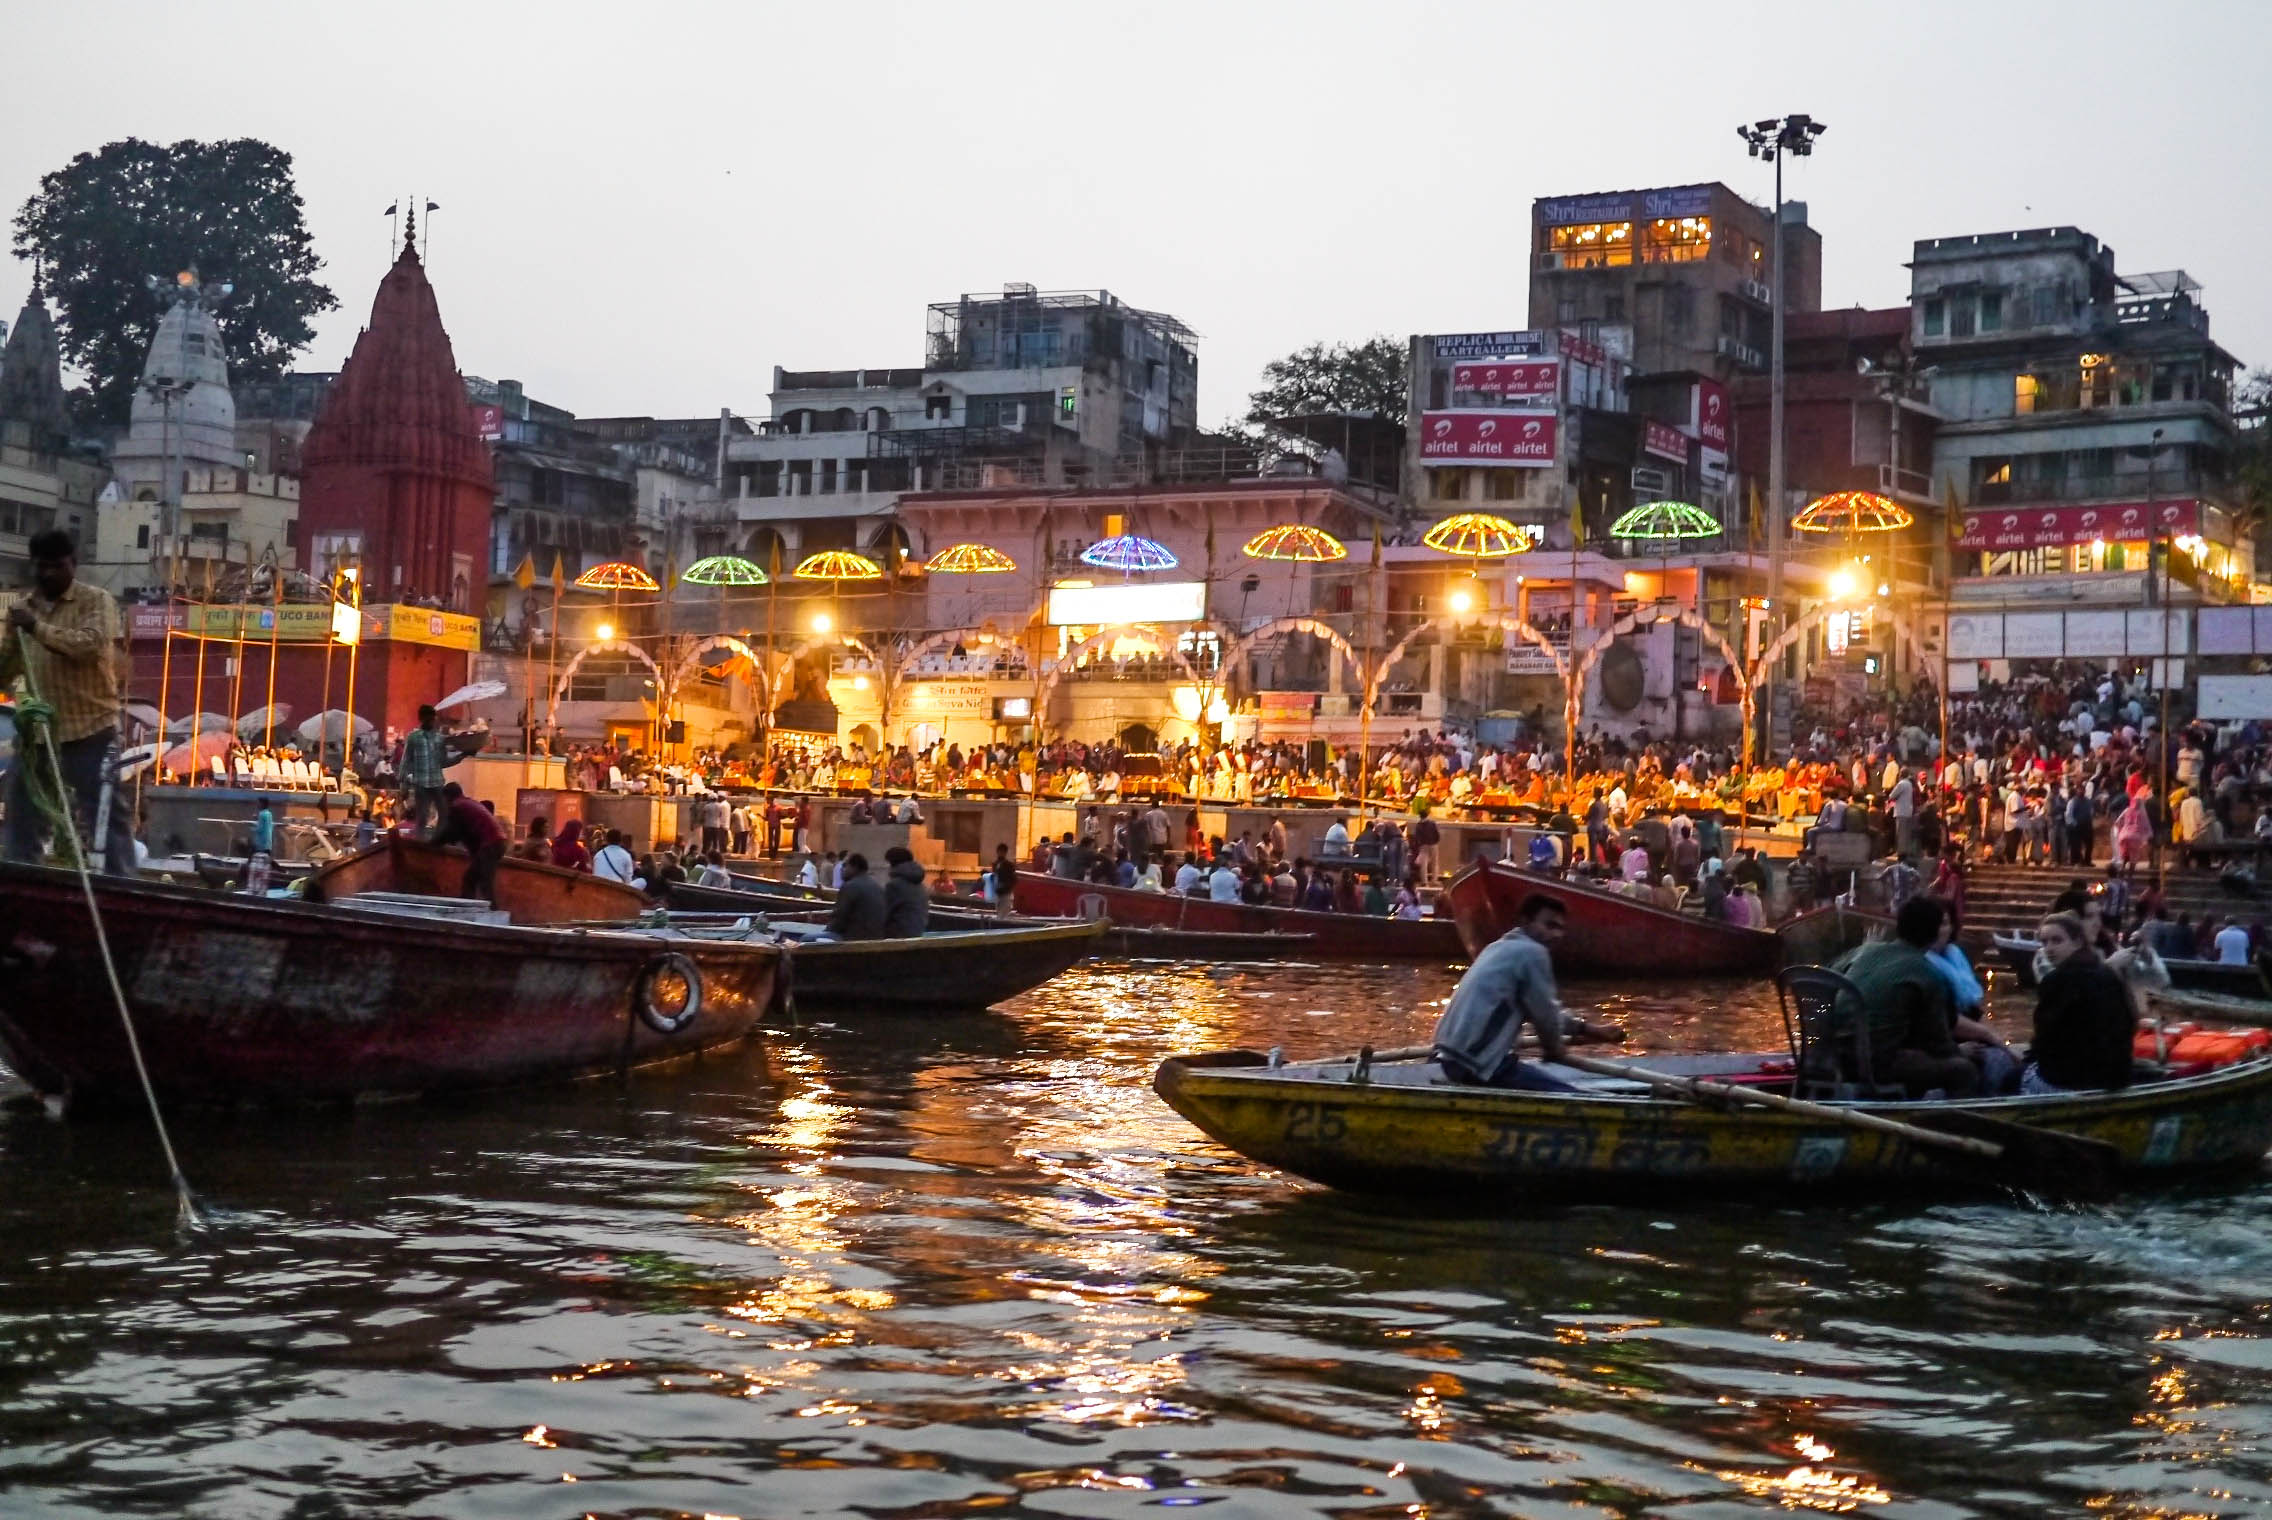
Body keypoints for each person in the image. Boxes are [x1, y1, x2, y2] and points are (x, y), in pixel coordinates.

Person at [0, 529, 138, 874]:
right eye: (42, 567)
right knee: (21, 818)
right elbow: (6, 669)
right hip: (39, 737)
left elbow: (88, 646)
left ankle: (123, 895)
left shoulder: (96, 601)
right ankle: (23, 895)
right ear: (33, 567)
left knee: (106, 821)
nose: (48, 574)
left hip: (91, 731)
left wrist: (37, 629)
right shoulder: (21, 611)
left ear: (72, 565)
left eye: (57, 566)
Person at [1431, 893, 1582, 1090]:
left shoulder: (1496, 948)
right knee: (1568, 1095)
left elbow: (1544, 1010)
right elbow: (1545, 1017)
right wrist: (1555, 1050)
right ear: (1525, 922)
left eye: (1560, 929)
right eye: (1549, 926)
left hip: (1442, 1057)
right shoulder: (1534, 953)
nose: (1556, 935)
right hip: (1476, 1064)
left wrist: (1585, 1029)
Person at [1836, 895, 1978, 1097]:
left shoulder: (1865, 951)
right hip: (1878, 1065)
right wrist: (1961, 1052)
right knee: (1964, 1070)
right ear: (1933, 932)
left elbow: (1829, 976)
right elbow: (1938, 1044)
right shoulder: (1927, 973)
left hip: (1834, 1057)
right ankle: (1949, 1126)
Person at [2024, 911, 2137, 1093]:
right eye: (2044, 942)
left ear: (2077, 942)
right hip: (2115, 1079)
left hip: (2071, 1081)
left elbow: (2045, 1038)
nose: (2049, 948)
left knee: (2009, 1078)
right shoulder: (2108, 973)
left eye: (2057, 940)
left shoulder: (2056, 980)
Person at [433, 782, 508, 903]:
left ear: (447, 797)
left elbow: (452, 831)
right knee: (474, 879)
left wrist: (433, 843)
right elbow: (464, 832)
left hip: (491, 844)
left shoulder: (457, 806)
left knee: (481, 881)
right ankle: (471, 907)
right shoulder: (468, 803)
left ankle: (490, 913)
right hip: (497, 843)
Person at [399, 705, 450, 838]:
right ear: (421, 719)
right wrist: (403, 785)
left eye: (432, 719)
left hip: (437, 782)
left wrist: (462, 756)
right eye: (428, 719)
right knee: (422, 817)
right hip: (421, 784)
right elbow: (406, 761)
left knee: (444, 814)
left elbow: (444, 762)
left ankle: (437, 841)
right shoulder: (413, 737)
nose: (431, 721)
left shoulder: (440, 739)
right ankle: (419, 844)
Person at [823, 852, 887, 940]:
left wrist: (826, 932)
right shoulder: (877, 886)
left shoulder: (850, 886)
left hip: (855, 939)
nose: (842, 868)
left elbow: (838, 920)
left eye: (845, 865)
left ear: (855, 867)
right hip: (876, 937)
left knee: (806, 938)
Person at [881, 845, 929, 936]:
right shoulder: (920, 884)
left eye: (887, 862)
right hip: (917, 933)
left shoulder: (894, 885)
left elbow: (884, 913)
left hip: (897, 935)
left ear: (892, 862)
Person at [988, 843, 1018, 914]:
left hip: (1006, 893)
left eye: (1002, 852)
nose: (1001, 853)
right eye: (999, 852)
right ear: (997, 852)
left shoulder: (1009, 865)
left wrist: (1006, 886)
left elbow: (1013, 879)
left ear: (1005, 853)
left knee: (1004, 913)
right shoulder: (995, 864)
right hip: (998, 893)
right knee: (999, 913)